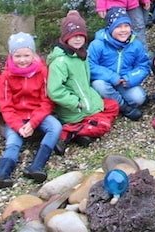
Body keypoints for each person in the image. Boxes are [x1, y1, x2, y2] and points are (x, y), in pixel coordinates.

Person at [0, 33, 62, 188]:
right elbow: (5, 106)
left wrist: (33, 122)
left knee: (55, 126)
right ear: (11, 55)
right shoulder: (6, 75)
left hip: (38, 114)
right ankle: (1, 175)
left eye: (26, 55)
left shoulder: (42, 72)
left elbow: (47, 101)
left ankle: (36, 166)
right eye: (17, 56)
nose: (22, 60)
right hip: (16, 117)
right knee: (13, 142)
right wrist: (18, 126)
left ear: (33, 54)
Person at [47, 11, 120, 148]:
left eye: (81, 35)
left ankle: (84, 132)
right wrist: (75, 102)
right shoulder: (60, 62)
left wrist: (93, 97)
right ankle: (68, 132)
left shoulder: (81, 55)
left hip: (87, 101)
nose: (78, 39)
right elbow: (54, 91)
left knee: (114, 106)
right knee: (103, 125)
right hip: (75, 108)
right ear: (65, 37)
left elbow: (84, 83)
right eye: (73, 36)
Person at [88, 7, 150, 121]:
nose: (123, 30)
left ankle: (116, 100)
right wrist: (112, 77)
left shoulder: (136, 44)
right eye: (118, 26)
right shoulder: (97, 44)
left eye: (126, 26)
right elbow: (90, 65)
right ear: (110, 28)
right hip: (105, 81)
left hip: (124, 82)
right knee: (99, 85)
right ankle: (124, 107)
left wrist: (131, 78)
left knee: (139, 98)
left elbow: (143, 66)